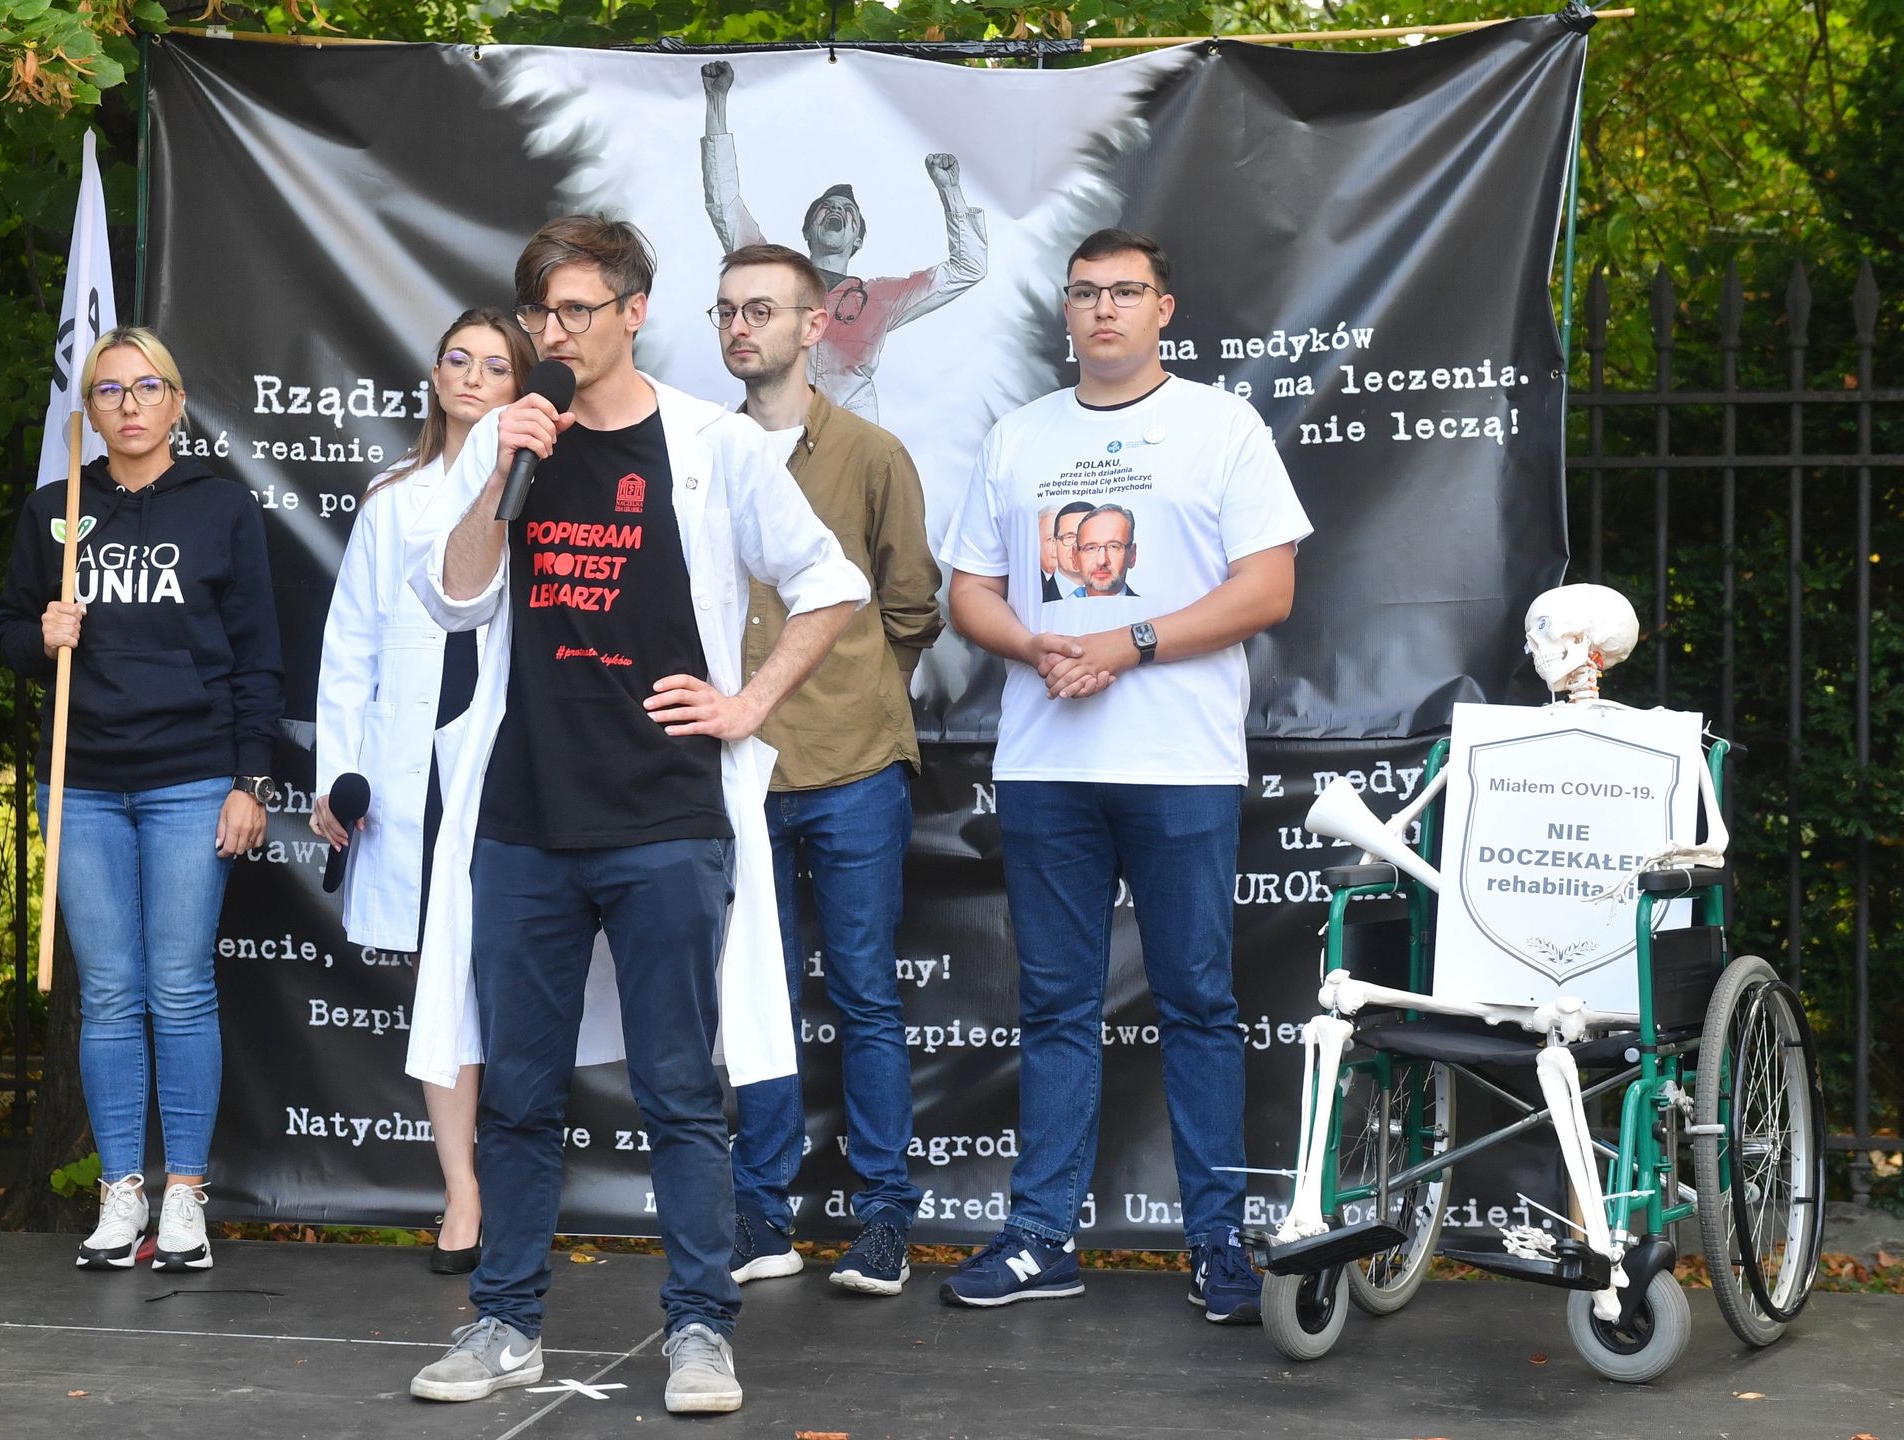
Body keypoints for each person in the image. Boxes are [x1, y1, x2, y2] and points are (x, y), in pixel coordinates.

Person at [402, 215, 868, 1415]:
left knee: (676, 1083)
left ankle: (700, 1330)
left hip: (666, 814)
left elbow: (831, 583)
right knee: (517, 1084)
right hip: (524, 816)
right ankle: (504, 1322)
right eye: (539, 318)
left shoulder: (712, 443)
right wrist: (501, 471)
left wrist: (748, 701)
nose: (554, 337)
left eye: (575, 313)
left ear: (633, 311)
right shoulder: (514, 442)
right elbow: (456, 600)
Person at [935, 229, 1311, 1321]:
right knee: (1056, 1004)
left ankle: (1217, 1247)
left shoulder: (1220, 426)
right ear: (1066, 311)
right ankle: (1040, 1238)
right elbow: (971, 590)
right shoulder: (1020, 436)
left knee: (1197, 1002)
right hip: (1048, 765)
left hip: (1180, 764)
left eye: (1126, 292)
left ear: (1165, 308)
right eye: (1086, 291)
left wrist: (1127, 642)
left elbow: (1267, 589)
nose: (1105, 308)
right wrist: (1036, 645)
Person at [0, 325, 283, 1273]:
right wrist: (42, 633)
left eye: (146, 386)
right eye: (109, 390)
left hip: (191, 776)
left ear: (176, 400)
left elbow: (257, 655)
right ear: (90, 409)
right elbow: (4, 643)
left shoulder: (221, 509)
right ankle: (122, 1193)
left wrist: (249, 780)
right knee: (109, 995)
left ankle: (186, 1196)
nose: (128, 404)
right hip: (81, 781)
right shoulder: (54, 511)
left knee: (180, 986)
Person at [707, 243, 943, 1296]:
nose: (738, 327)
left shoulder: (874, 454)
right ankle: (760, 1218)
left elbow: (908, 608)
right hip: (736, 772)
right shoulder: (695, 454)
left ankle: (885, 1218)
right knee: (752, 999)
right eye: (725, 310)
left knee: (864, 994)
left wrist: (849, 687)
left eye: (761, 309)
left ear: (815, 326)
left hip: (852, 766)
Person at [310, 308, 532, 1275]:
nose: (472, 377)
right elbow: (347, 649)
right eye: (458, 359)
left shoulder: (542, 483)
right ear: (435, 375)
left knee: (520, 977)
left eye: (495, 365)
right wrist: (336, 774)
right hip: (414, 767)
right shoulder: (392, 499)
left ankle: (519, 1184)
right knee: (442, 984)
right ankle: (464, 1194)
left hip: (515, 757)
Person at [698, 59, 987, 422]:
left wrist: (950, 191)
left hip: (854, 440)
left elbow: (968, 268)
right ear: (807, 231)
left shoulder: (882, 299)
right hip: (780, 431)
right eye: (825, 207)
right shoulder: (775, 276)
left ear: (858, 240)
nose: (836, 211)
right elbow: (724, 205)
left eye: (848, 211)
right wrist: (716, 103)